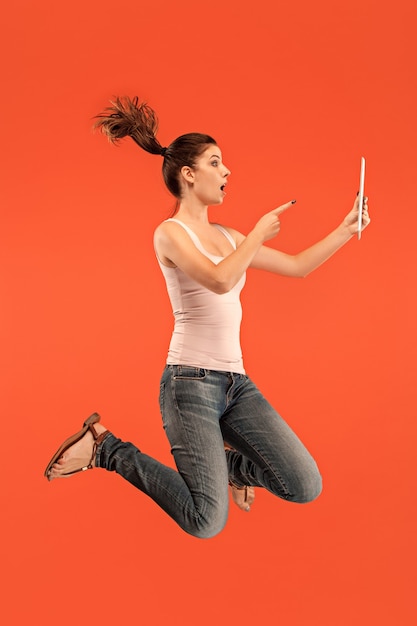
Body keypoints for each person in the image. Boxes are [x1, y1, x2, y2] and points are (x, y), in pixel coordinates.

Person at [44, 96, 370, 537]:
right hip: (189, 384)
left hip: (236, 384)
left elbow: (297, 266)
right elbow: (218, 281)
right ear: (188, 174)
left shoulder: (226, 235)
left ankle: (232, 469)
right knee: (206, 522)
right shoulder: (170, 234)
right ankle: (108, 449)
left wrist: (346, 229)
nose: (227, 172)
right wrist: (254, 235)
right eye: (216, 163)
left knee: (303, 484)